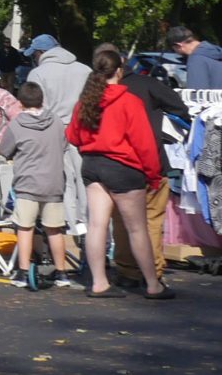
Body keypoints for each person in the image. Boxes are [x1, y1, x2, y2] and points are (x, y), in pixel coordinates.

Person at [66, 47, 171, 300]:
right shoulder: (129, 102)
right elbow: (144, 143)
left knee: (96, 225)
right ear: (119, 71)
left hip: (92, 164)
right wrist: (153, 174)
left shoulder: (86, 101)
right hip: (123, 167)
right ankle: (152, 285)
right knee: (137, 229)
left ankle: (99, 282)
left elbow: (71, 135)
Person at [107, 42, 187, 289]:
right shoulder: (148, 85)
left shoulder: (95, 92)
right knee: (151, 221)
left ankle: (127, 270)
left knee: (121, 221)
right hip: (150, 161)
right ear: (124, 62)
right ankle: (152, 271)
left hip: (115, 165)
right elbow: (180, 108)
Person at [0, 79, 77, 290]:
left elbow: (5, 151)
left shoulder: (16, 124)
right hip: (54, 182)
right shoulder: (57, 121)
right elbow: (64, 145)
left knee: (25, 228)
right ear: (42, 100)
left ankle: (24, 272)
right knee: (54, 229)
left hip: (28, 184)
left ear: (21, 103)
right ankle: (62, 272)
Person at [23, 34, 91, 236]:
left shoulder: (38, 74)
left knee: (62, 181)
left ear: (41, 53)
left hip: (53, 129)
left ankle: (70, 229)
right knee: (85, 178)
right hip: (84, 128)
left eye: (34, 54)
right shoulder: (85, 70)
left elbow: (38, 110)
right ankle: (90, 225)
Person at [171, 25, 222, 92]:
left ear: (179, 46)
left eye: (174, 49)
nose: (176, 53)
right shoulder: (217, 52)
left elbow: (197, 94)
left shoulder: (196, 60)